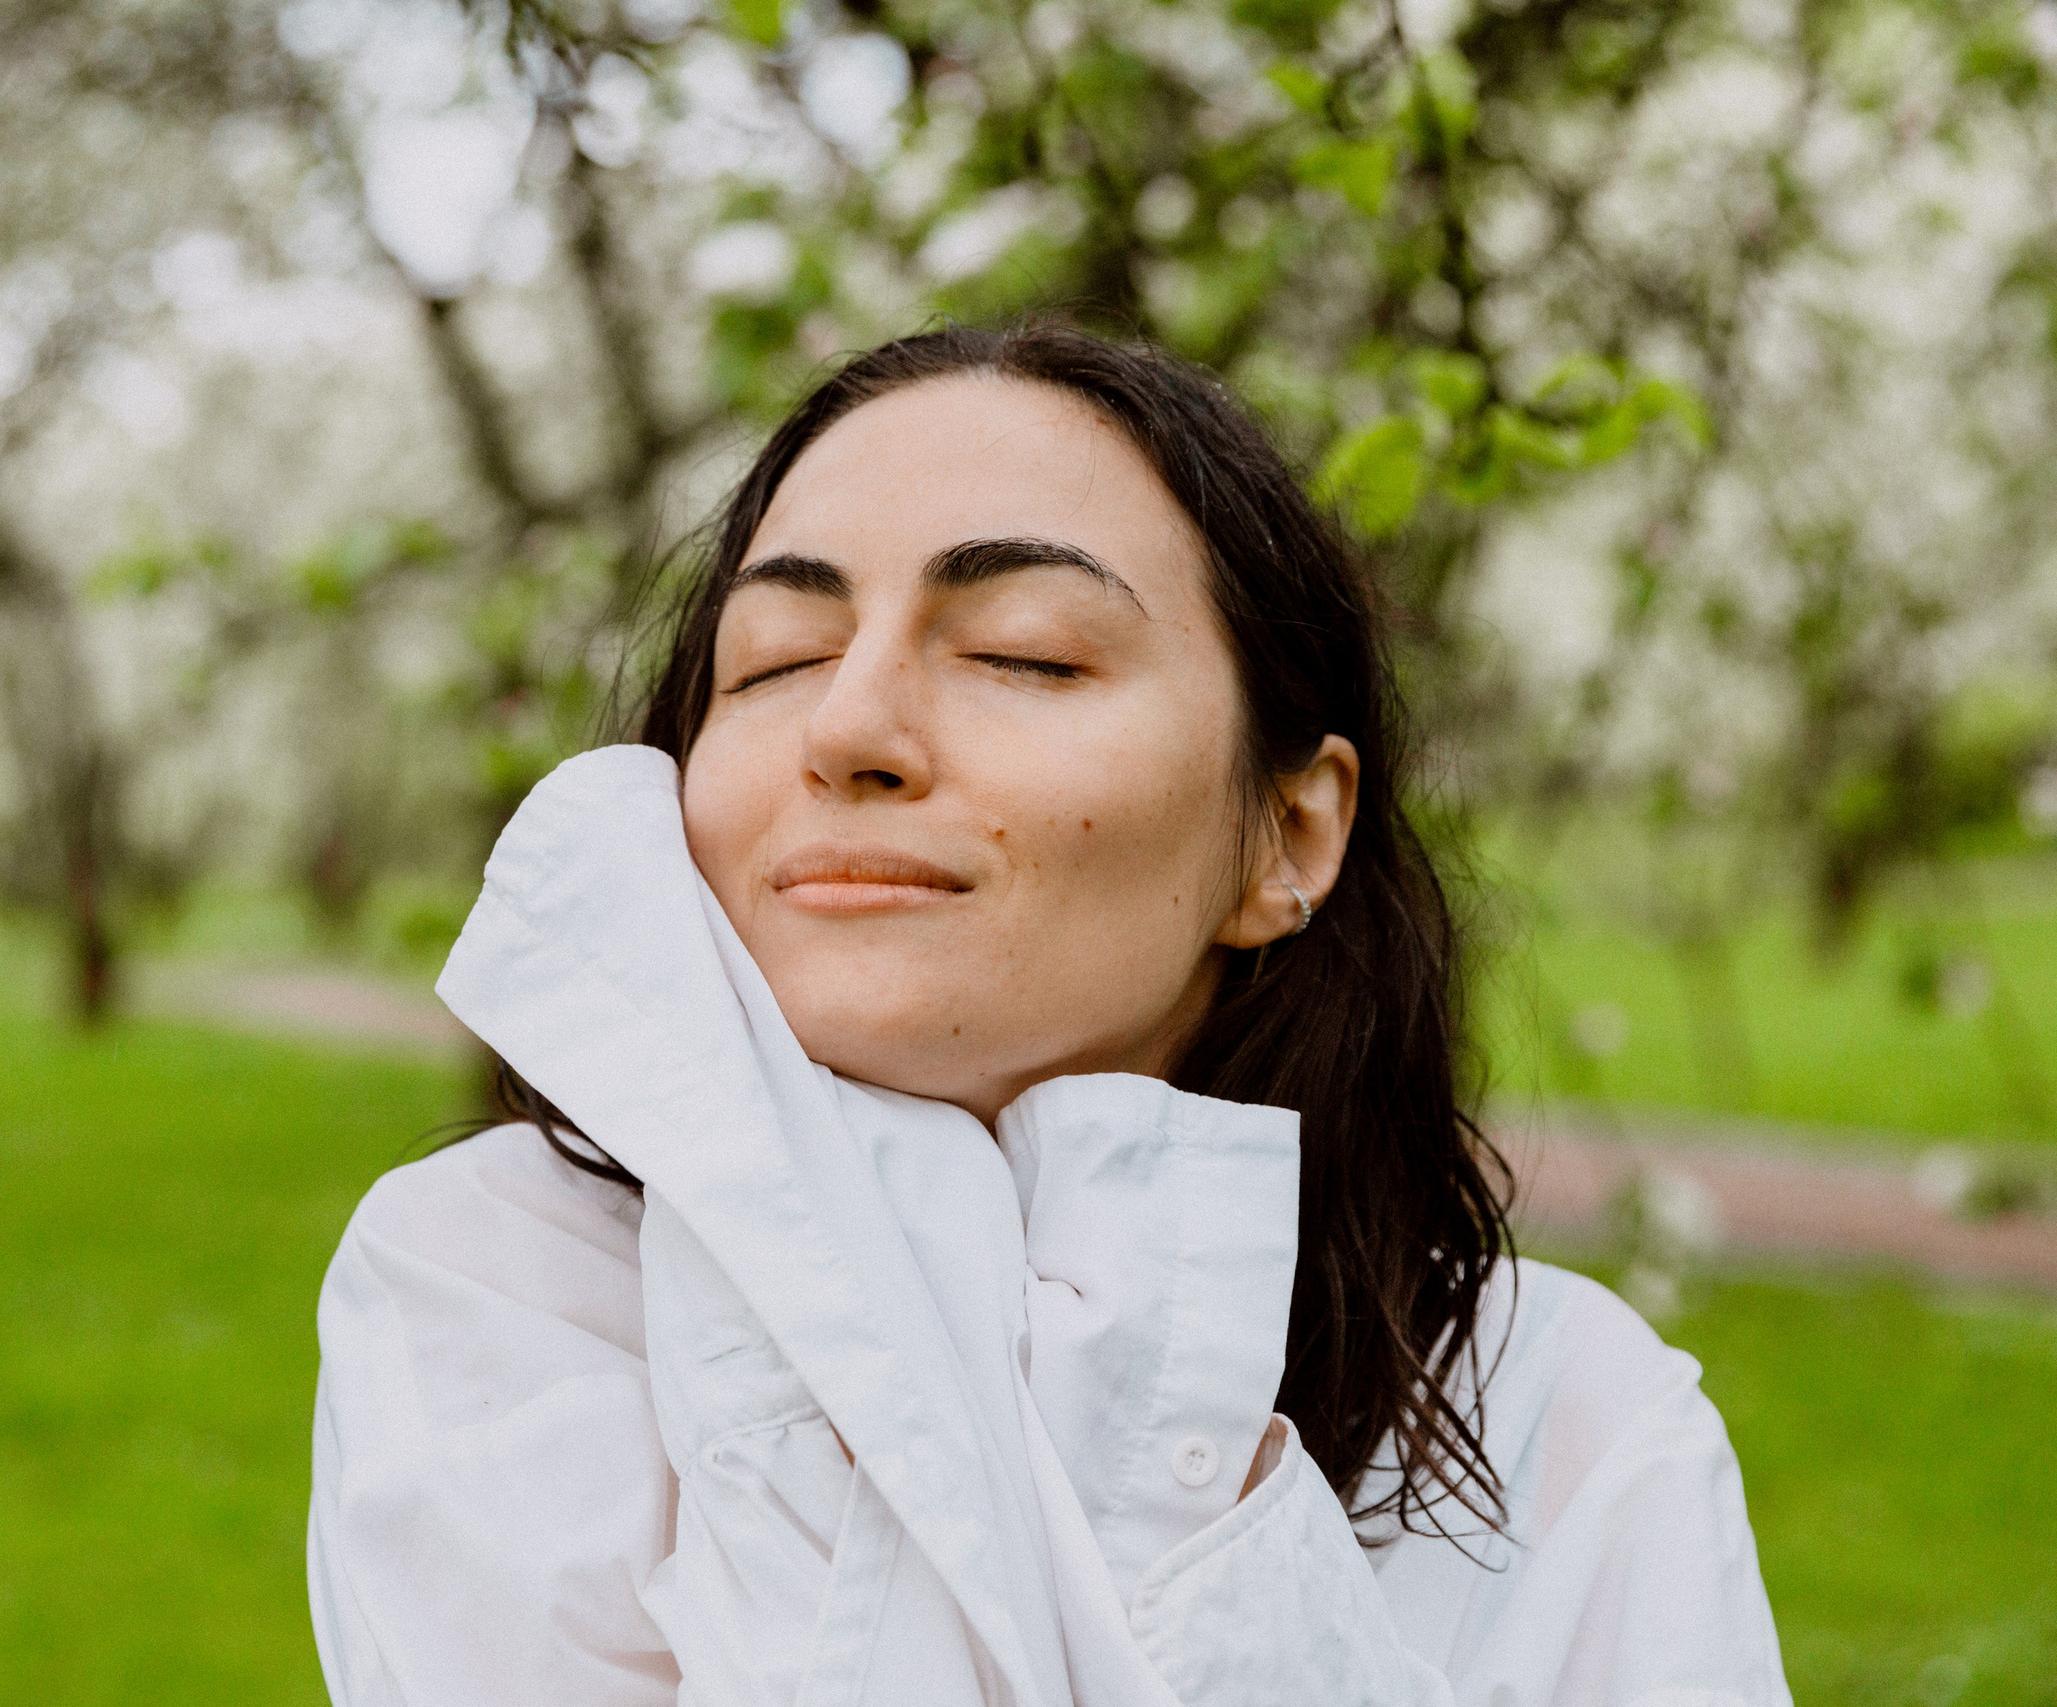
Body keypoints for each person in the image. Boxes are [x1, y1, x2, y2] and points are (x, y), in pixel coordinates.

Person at [306, 325, 1791, 1705]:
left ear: (1288, 834)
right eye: (774, 662)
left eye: (1024, 650)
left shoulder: (1571, 1423)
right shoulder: (495, 1285)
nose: (850, 728)